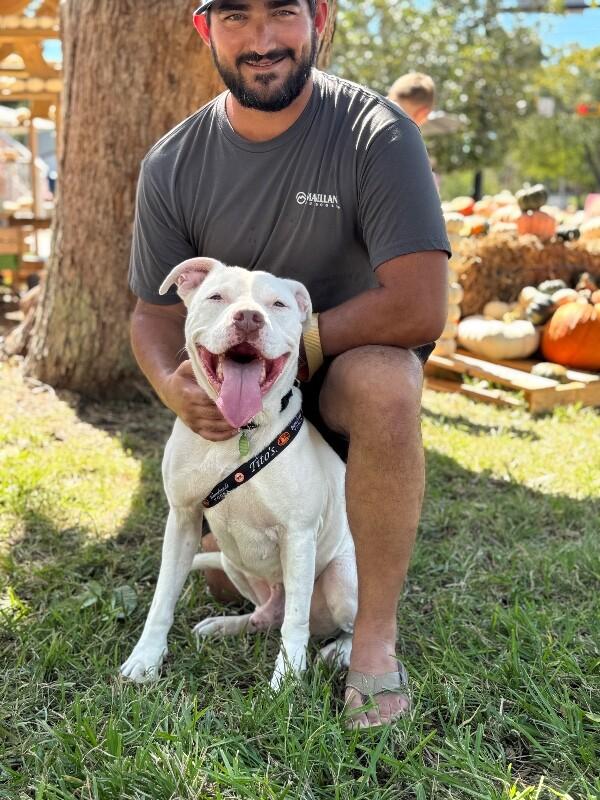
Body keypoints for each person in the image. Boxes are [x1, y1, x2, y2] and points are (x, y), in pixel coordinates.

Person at [128, 0, 449, 729]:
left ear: (320, 19)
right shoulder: (174, 162)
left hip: (335, 371)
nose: (262, 39)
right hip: (244, 403)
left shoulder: (377, 133)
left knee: (387, 385)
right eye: (236, 16)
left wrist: (290, 349)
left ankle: (374, 643)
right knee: (231, 582)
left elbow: (421, 304)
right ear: (204, 28)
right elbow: (150, 311)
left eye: (283, 12)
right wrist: (174, 385)